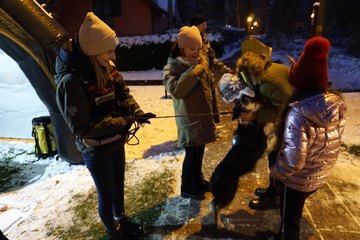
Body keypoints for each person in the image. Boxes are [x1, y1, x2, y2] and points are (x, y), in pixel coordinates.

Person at [54, 12, 155, 239]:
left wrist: (136, 112)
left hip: (115, 141)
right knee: (107, 194)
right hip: (96, 148)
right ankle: (113, 231)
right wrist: (124, 121)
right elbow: (82, 127)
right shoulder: (71, 82)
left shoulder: (106, 68)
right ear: (92, 50)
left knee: (118, 188)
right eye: (109, 50)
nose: (113, 56)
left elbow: (123, 93)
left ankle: (122, 220)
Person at [268, 36, 346, 240]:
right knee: (294, 214)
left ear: (298, 85)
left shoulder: (299, 113)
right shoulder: (335, 104)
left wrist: (275, 171)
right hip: (319, 173)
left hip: (296, 180)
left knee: (290, 221)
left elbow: (293, 160)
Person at [162, 26, 219, 200]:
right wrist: (194, 72)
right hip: (188, 120)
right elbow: (176, 90)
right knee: (192, 154)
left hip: (203, 118)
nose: (195, 52)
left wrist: (214, 113)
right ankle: (187, 187)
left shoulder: (200, 64)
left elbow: (210, 90)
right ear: (181, 47)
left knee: (199, 153)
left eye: (198, 48)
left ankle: (197, 180)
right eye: (191, 48)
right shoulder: (172, 67)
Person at [235, 51, 293, 210]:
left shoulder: (269, 81)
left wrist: (255, 116)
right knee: (275, 155)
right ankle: (275, 189)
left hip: (290, 122)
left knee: (276, 156)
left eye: (246, 79)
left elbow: (285, 108)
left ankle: (275, 195)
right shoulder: (265, 72)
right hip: (286, 121)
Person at [190, 14, 232, 80]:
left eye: (206, 25)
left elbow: (211, 59)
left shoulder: (204, 41)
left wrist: (224, 69)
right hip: (195, 80)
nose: (205, 27)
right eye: (203, 25)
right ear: (196, 26)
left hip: (206, 78)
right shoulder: (189, 42)